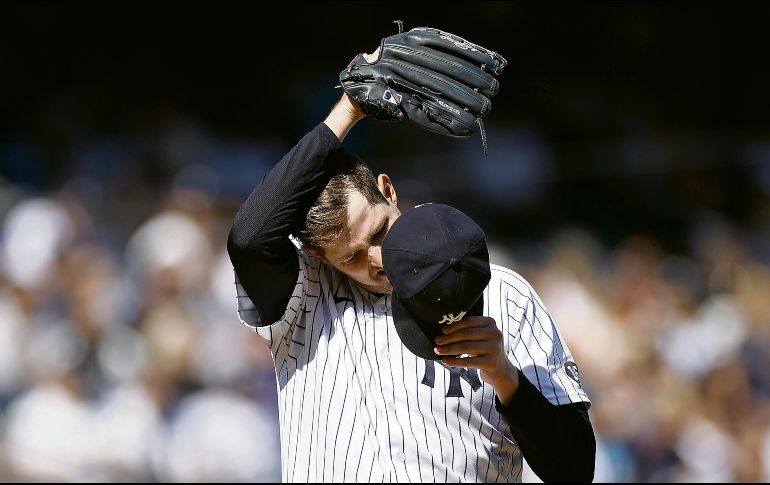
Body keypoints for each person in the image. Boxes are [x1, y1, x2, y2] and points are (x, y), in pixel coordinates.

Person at [226, 47, 596, 482]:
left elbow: (575, 469)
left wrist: (506, 377)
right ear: (317, 257)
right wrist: (349, 111)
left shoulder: (501, 292)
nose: (378, 260)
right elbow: (249, 237)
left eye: (379, 232)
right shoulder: (304, 298)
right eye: (353, 257)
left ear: (388, 189)